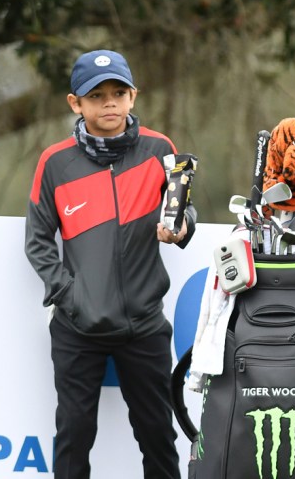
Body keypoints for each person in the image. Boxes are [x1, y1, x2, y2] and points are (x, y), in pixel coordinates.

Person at [25, 49, 197, 479]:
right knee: (73, 437)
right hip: (77, 328)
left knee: (158, 436)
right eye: (96, 95)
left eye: (118, 92)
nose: (109, 103)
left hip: (144, 326)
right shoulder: (55, 162)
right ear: (75, 104)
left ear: (133, 97)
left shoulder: (161, 149)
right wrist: (71, 297)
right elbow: (38, 241)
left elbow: (183, 212)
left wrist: (181, 228)